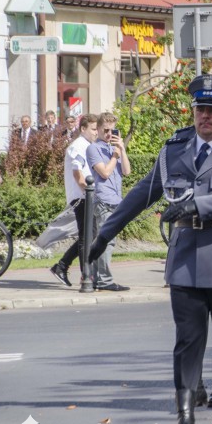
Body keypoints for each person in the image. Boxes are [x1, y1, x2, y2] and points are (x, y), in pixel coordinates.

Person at [88, 75, 212, 424]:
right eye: (200, 109)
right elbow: (143, 192)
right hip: (186, 260)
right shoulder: (176, 149)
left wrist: (199, 204)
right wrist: (105, 234)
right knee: (187, 342)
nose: (205, 117)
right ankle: (185, 419)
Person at [50, 113, 100, 287]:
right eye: (93, 129)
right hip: (82, 196)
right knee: (87, 236)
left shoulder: (88, 145)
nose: (96, 132)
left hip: (85, 195)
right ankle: (86, 276)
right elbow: (77, 172)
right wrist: (86, 191)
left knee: (88, 235)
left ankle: (62, 266)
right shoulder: (78, 146)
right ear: (83, 129)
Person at [85, 112, 131, 291]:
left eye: (113, 130)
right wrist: (114, 157)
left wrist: (122, 150)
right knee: (107, 241)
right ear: (98, 129)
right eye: (106, 130)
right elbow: (104, 173)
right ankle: (105, 280)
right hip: (103, 199)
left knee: (105, 241)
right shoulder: (93, 148)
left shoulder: (114, 148)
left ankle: (98, 278)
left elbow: (126, 172)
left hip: (116, 199)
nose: (109, 134)